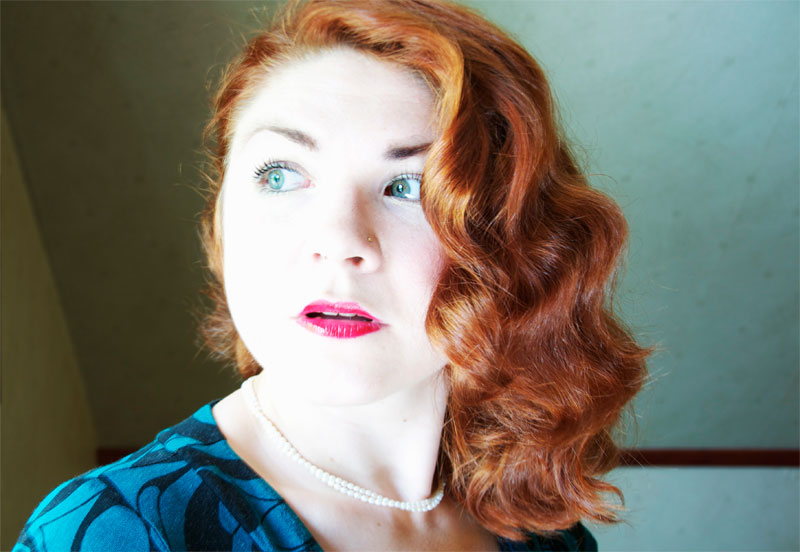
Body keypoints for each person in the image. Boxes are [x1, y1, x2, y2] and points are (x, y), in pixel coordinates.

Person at [15, 0, 649, 550]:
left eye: (409, 187)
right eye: (279, 175)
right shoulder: (114, 532)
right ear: (220, 217)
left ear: (518, 248)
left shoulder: (539, 525)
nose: (339, 241)